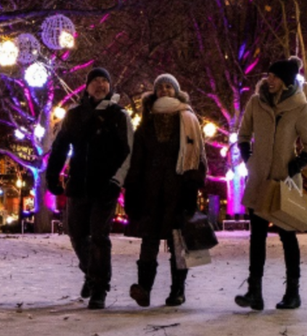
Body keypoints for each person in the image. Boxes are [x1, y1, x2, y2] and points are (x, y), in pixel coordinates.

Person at [234, 55, 307, 311]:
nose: (268, 80)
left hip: (284, 183)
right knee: (256, 237)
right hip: (259, 181)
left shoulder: (300, 107)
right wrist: (250, 160)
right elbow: (243, 135)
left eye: (274, 76)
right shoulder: (256, 102)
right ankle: (254, 292)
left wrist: (293, 167)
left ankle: (293, 292)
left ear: (285, 80)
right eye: (268, 75)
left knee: (287, 237)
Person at [46, 66, 134, 309]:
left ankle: (99, 288)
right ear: (87, 87)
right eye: (95, 81)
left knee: (99, 236)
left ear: (110, 86)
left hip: (105, 187)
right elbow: (60, 147)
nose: (100, 85)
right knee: (76, 234)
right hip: (78, 185)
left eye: (104, 81)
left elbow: (129, 151)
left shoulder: (119, 115)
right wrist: (53, 176)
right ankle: (91, 272)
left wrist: (117, 181)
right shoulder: (74, 114)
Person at [124, 74, 208, 308]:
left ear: (176, 91)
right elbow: (136, 160)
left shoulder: (188, 119)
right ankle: (144, 288)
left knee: (179, 243)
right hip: (150, 193)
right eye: (160, 87)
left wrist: (193, 185)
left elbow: (198, 156)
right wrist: (132, 190)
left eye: (169, 86)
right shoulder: (146, 123)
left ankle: (177, 291)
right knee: (148, 242)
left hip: (179, 191)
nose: (164, 90)